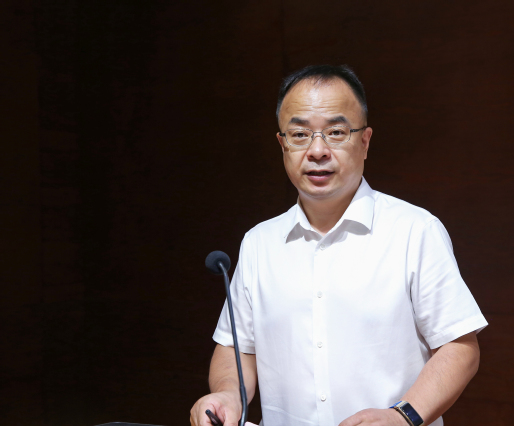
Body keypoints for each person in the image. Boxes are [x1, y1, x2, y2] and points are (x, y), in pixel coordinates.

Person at [190, 65, 487, 426]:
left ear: (365, 141)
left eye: (335, 132)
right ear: (283, 144)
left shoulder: (415, 231)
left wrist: (402, 416)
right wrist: (227, 394)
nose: (317, 150)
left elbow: (459, 346)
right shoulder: (259, 243)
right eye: (300, 134)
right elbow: (236, 347)